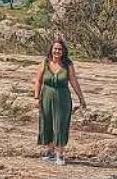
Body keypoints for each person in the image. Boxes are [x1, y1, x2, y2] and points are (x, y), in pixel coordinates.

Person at [34, 35, 86, 164]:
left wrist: (81, 98)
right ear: (51, 50)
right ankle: (49, 151)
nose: (57, 51)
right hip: (46, 96)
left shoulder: (68, 65)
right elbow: (38, 81)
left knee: (60, 124)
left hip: (62, 99)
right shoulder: (45, 62)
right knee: (47, 122)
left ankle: (60, 154)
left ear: (63, 52)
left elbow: (74, 81)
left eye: (60, 49)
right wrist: (36, 97)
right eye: (55, 49)